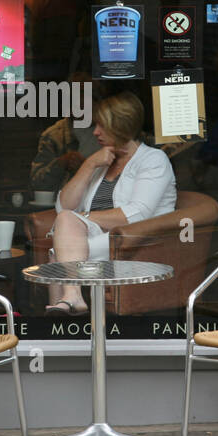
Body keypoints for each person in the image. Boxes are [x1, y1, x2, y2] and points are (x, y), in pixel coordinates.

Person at [46, 91, 176, 314]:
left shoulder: (153, 160)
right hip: (97, 236)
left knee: (57, 256)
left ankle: (63, 317)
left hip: (135, 242)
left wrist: (83, 219)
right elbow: (64, 208)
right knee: (66, 220)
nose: (95, 132)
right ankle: (71, 301)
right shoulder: (104, 160)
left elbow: (137, 214)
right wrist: (89, 165)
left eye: (102, 126)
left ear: (122, 126)